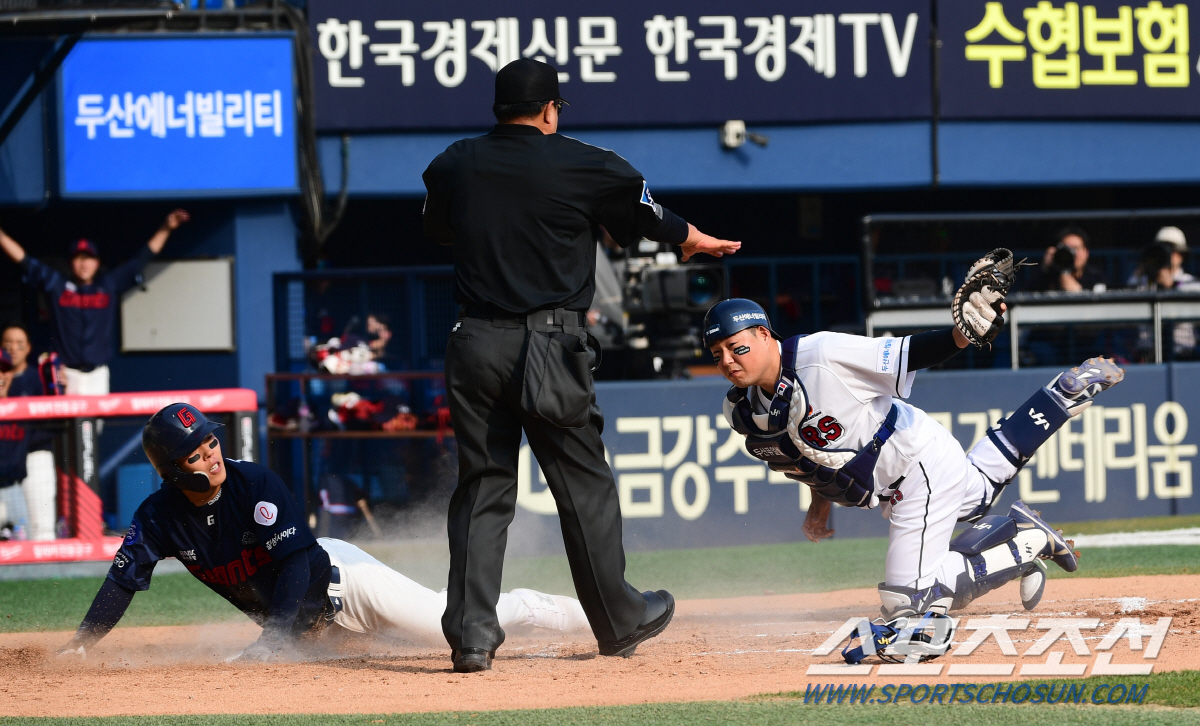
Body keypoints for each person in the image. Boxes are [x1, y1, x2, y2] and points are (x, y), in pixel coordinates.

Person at [422, 58, 741, 672]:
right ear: (549, 110)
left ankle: (471, 636)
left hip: (474, 341)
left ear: (498, 109)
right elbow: (644, 215)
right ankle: (619, 621)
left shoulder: (454, 162)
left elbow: (440, 230)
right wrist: (689, 236)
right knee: (582, 487)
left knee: (483, 488)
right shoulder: (584, 161)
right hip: (549, 344)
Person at [702, 296, 1124, 621]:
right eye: (717, 353)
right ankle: (1059, 398)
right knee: (975, 494)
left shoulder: (821, 354)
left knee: (907, 602)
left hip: (916, 463)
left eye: (736, 347)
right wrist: (820, 507)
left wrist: (962, 334)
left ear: (764, 335)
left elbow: (911, 352)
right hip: (897, 480)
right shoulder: (742, 408)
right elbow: (813, 458)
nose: (727, 360)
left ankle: (1023, 545)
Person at [56, 403, 589, 661]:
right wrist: (82, 644)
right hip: (310, 623)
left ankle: (563, 611)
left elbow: (293, 563)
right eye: (195, 454)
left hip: (341, 581)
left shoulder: (254, 482)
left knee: (445, 627)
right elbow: (122, 581)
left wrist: (274, 638)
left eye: (211, 443)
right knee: (392, 653)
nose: (211, 456)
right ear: (172, 469)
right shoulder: (158, 516)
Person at [0, 210, 190, 394]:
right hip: (66, 374)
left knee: (96, 425)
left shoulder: (107, 285)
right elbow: (25, 260)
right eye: (78, 258)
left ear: (97, 262)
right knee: (67, 425)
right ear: (70, 263)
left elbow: (142, 259)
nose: (84, 264)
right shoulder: (58, 285)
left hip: (98, 374)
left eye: (89, 258)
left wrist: (166, 228)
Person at [0, 324, 54, 540]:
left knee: (28, 539)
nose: (2, 376)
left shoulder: (33, 382)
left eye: (5, 371)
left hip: (12, 487)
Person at [1038, 226, 1107, 293]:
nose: (1072, 253)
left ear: (1086, 252)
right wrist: (1045, 268)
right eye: (1067, 249)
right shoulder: (1049, 276)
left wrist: (1078, 292)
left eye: (1076, 248)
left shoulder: (1096, 277)